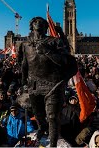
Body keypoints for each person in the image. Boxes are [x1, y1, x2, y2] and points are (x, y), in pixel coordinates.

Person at [17, 16, 77, 147]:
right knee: (39, 116)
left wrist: (48, 51)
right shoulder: (26, 44)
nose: (38, 23)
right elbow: (24, 65)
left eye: (41, 22)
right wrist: (23, 84)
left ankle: (53, 144)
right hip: (34, 85)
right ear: (31, 26)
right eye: (35, 21)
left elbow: (65, 61)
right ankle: (42, 128)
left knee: (52, 117)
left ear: (46, 27)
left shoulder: (55, 42)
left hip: (52, 84)